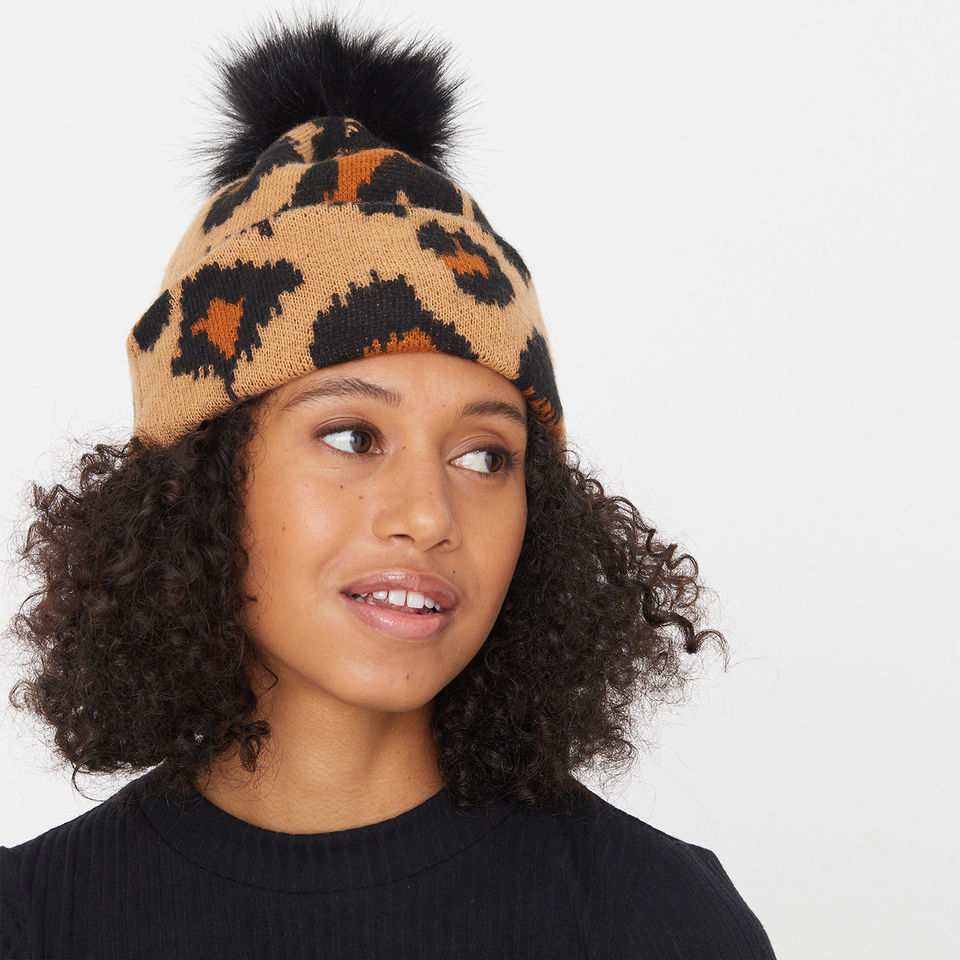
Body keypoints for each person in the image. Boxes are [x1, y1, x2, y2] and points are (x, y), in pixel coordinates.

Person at [0, 10, 777, 959]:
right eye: (352, 436)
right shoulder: (34, 921)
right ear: (200, 481)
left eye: (485, 456)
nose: (427, 515)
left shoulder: (652, 920)